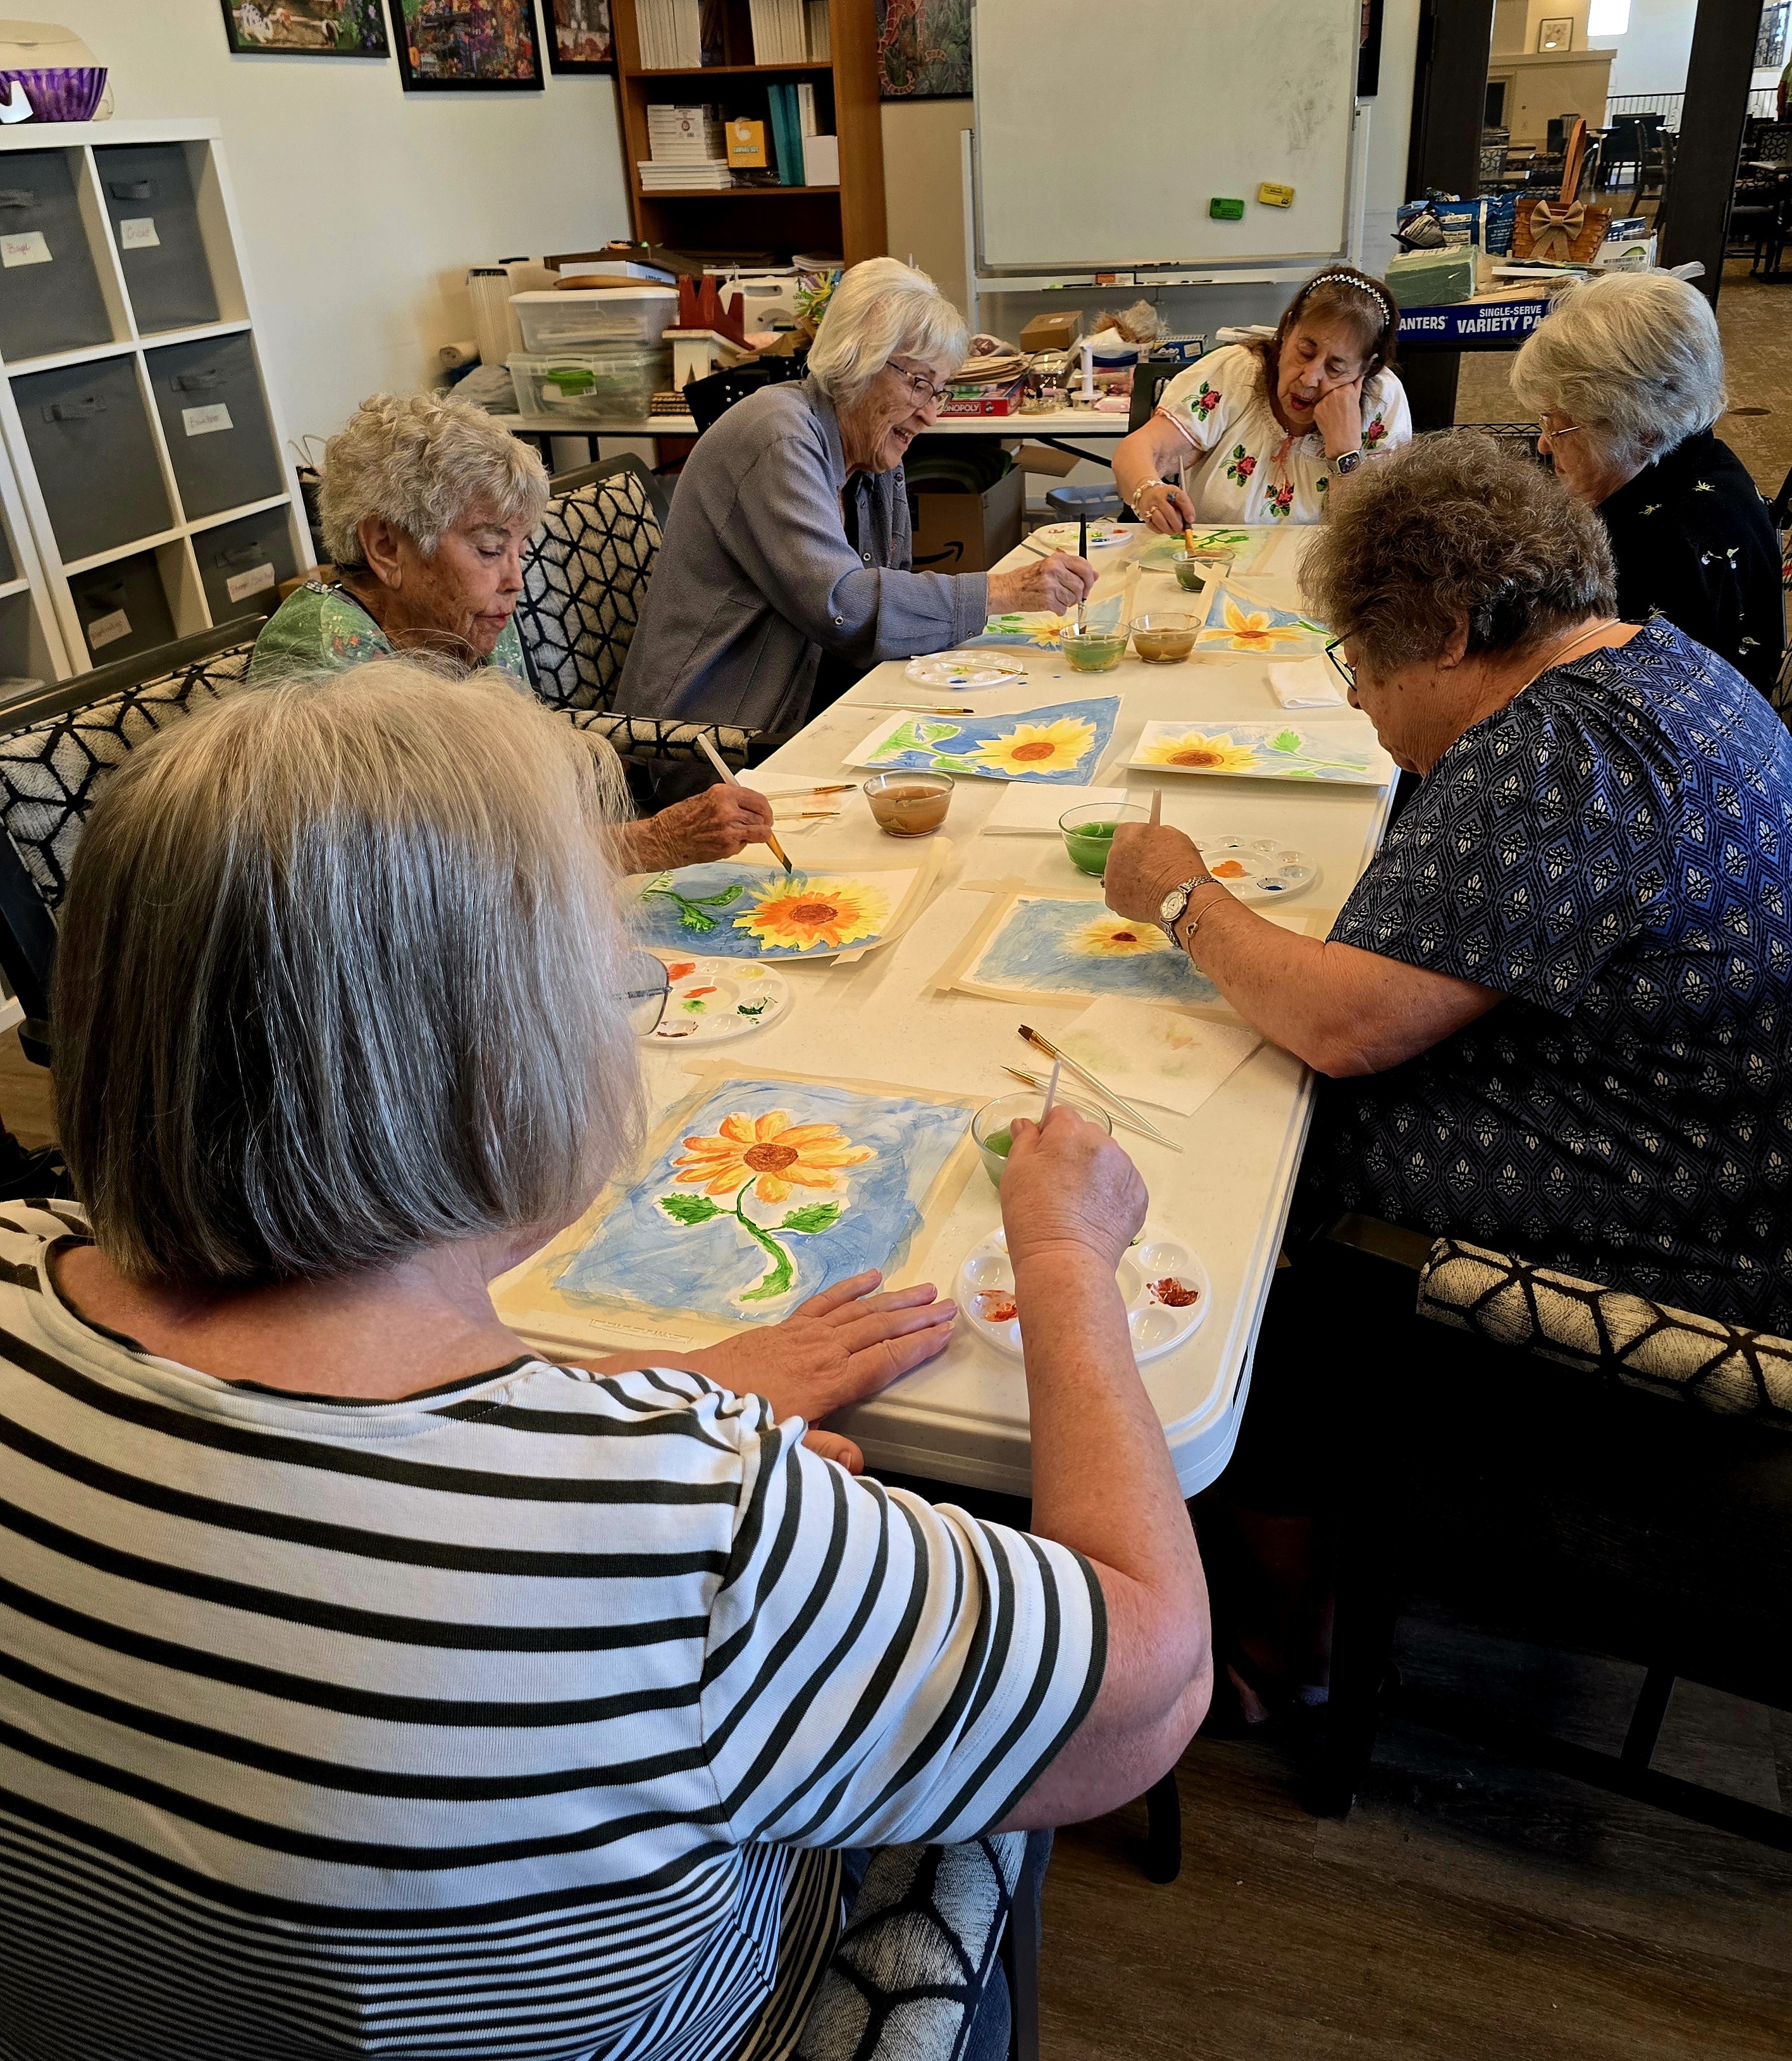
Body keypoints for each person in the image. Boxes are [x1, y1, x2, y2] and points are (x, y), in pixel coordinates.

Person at [0, 660, 1211, 2059]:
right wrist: (1060, 1254)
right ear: (499, 1059)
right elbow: (1152, 1685)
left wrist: (639, 1403)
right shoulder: (681, 1530)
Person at [1101, 433, 1792, 1724]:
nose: (1361, 701)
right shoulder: (1660, 666)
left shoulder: (1563, 751)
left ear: (1454, 631)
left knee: (1258, 1195)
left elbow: (1346, 1023)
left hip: (1686, 1251)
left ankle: (1282, 1642)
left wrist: (1182, 895)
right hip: (1728, 1160)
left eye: (1364, 662)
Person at [252, 391, 773, 870]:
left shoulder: (466, 620)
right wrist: (650, 842)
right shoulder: (324, 658)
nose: (515, 581)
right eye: (489, 549)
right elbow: (432, 870)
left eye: (519, 551)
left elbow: (520, 807)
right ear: (386, 547)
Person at [614, 257, 1097, 736]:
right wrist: (1003, 591)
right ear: (856, 362)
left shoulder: (873, 450)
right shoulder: (778, 438)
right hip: (716, 737)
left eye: (939, 392)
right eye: (919, 384)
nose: (930, 415)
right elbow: (842, 606)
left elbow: (887, 596)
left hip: (821, 704)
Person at [1512, 269, 1783, 698]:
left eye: (1558, 426)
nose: (1544, 444)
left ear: (1640, 430)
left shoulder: (1658, 548)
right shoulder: (1698, 454)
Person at [1111, 266, 1411, 530]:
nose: (1309, 378)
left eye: (1335, 368)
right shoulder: (1236, 371)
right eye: (1305, 352)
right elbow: (1138, 449)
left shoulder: (1382, 401)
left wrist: (1344, 451)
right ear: (1287, 330)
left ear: (1367, 368)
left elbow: (1372, 535)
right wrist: (1148, 490)